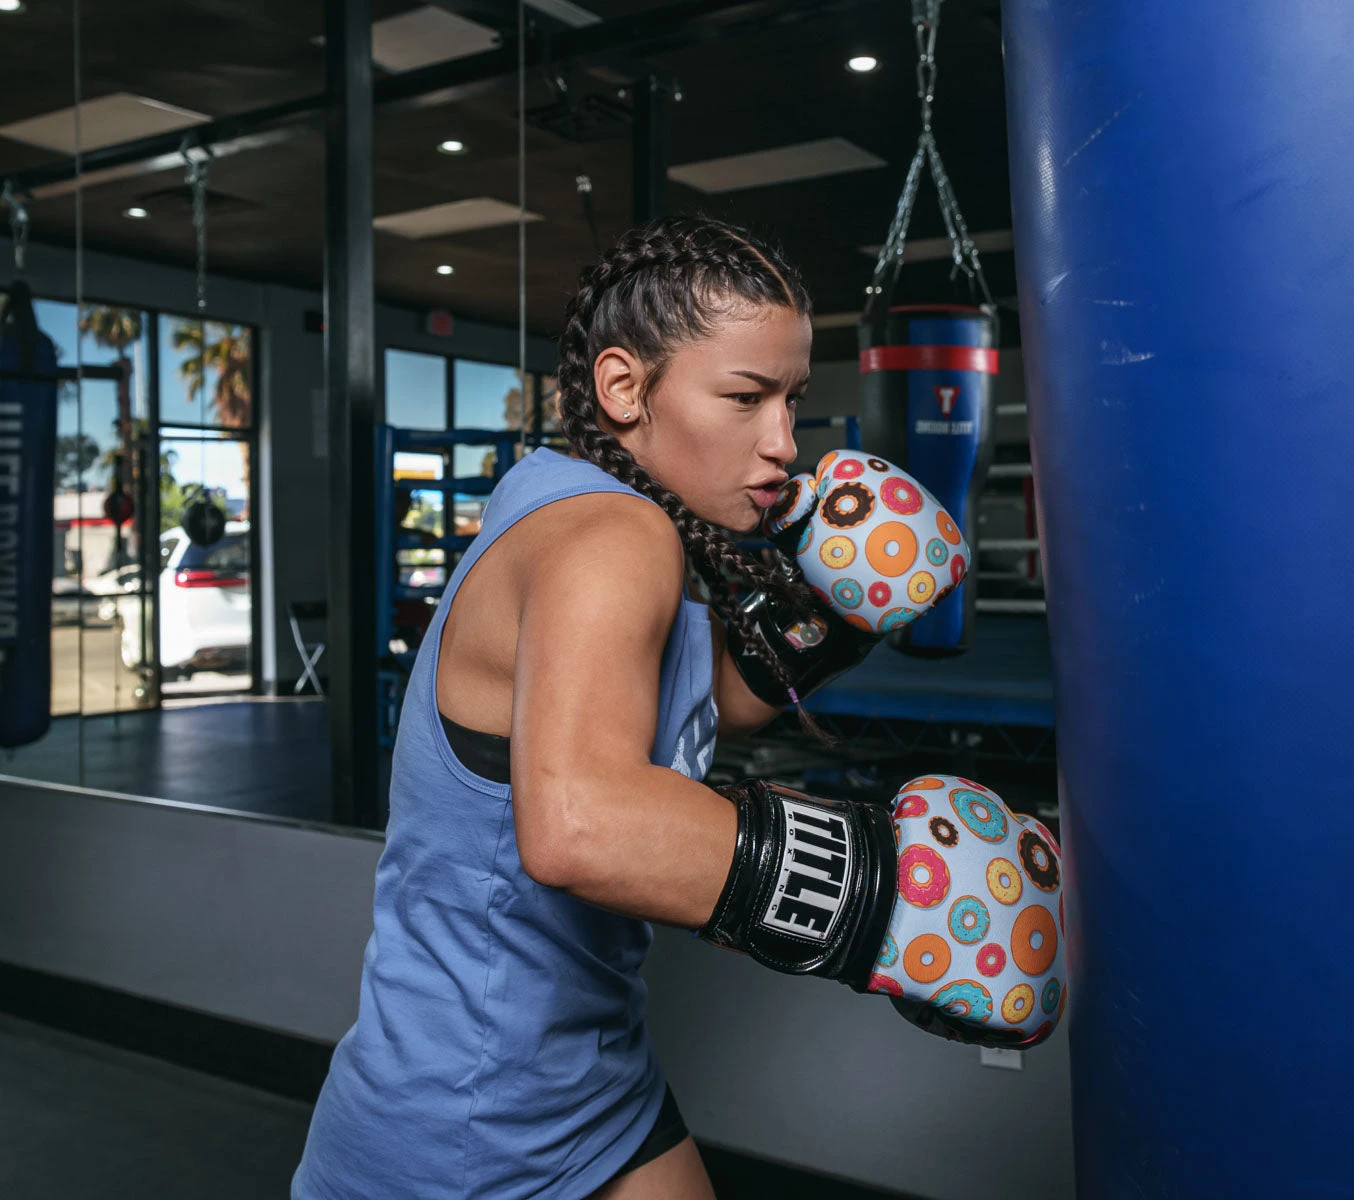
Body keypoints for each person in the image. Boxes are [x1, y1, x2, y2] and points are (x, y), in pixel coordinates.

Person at [292, 215, 1060, 1200]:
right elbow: (581, 824)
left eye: (790, 399)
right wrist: (882, 896)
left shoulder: (562, 498)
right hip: (466, 1122)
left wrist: (822, 618)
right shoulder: (615, 537)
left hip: (582, 1072)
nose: (783, 443)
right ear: (624, 387)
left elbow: (702, 708)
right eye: (744, 397)